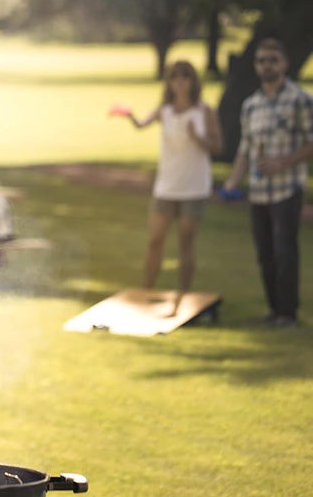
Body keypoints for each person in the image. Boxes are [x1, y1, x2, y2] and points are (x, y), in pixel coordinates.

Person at [224, 37, 313, 328]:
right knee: (265, 253)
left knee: (285, 251)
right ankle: (274, 309)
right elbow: (245, 150)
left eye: (272, 60)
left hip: (287, 188)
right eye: (261, 61)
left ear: (284, 64)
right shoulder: (251, 105)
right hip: (259, 192)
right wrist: (232, 182)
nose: (266, 66)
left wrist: (282, 162)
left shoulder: (300, 99)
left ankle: (288, 313)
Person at [122, 60, 222, 315]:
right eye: (175, 77)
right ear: (169, 81)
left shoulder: (203, 111)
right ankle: (146, 291)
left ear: (192, 81)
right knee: (155, 240)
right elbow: (141, 125)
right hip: (166, 185)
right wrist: (128, 115)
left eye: (185, 77)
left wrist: (197, 137)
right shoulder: (164, 110)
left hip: (194, 186)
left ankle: (182, 295)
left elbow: (218, 146)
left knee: (186, 240)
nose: (179, 82)